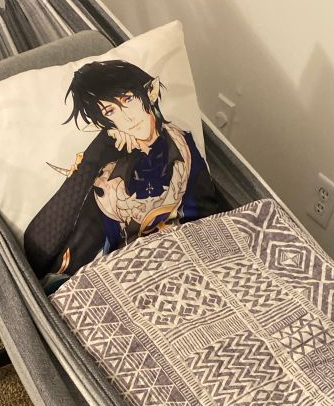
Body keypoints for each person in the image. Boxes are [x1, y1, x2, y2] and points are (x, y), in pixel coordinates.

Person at [23, 59, 224, 280]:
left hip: (187, 263)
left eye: (128, 99)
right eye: (110, 111)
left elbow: (209, 221)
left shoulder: (183, 145)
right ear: (102, 123)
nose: (127, 117)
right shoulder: (107, 176)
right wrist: (97, 154)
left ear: (151, 91)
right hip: (122, 277)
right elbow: (38, 254)